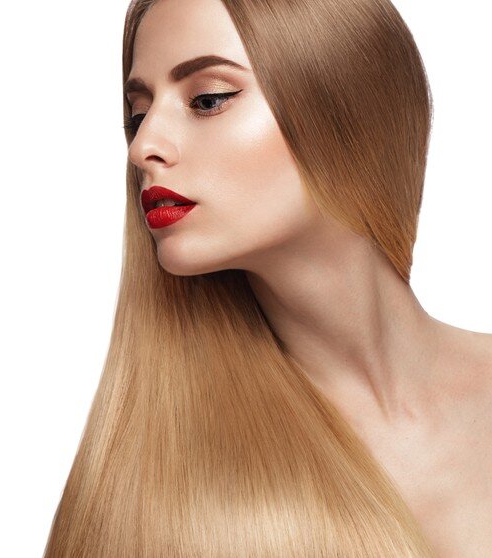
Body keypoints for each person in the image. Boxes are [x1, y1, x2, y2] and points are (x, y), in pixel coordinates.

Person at [43, 0, 492, 555]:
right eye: (137, 115)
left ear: (349, 105)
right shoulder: (142, 492)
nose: (142, 147)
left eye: (208, 100)